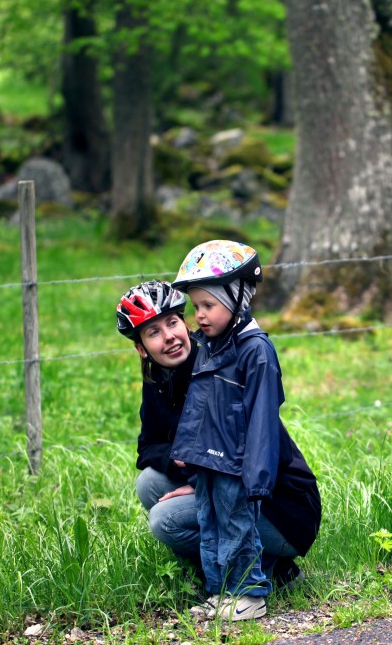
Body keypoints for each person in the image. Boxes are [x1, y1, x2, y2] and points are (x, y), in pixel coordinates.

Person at [117, 275, 321, 619]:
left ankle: (248, 578)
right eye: (154, 333)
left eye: (173, 322)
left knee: (165, 520)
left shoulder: (214, 364)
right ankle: (262, 571)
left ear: (185, 323)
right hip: (220, 478)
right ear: (141, 348)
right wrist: (183, 466)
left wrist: (196, 479)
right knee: (149, 482)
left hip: (280, 504)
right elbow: (147, 447)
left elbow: (238, 450)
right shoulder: (158, 381)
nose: (169, 337)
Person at [166, 239, 304, 621]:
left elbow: (263, 421)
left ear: (238, 297)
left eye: (208, 306)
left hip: (237, 464)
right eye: (196, 307)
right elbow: (201, 406)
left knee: (237, 528)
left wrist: (256, 478)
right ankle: (220, 591)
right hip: (210, 461)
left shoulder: (255, 351)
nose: (200, 316)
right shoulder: (210, 345)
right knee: (210, 524)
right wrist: (187, 452)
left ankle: (251, 595)